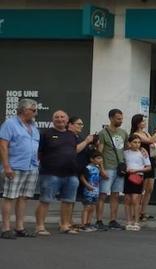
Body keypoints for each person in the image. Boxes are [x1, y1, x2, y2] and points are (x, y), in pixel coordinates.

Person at [36, 109, 92, 236]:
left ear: (67, 120)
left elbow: (75, 150)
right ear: (53, 120)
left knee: (68, 201)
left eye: (62, 117)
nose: (60, 119)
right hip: (50, 173)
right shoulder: (46, 134)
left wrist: (88, 142)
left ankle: (65, 225)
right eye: (57, 117)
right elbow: (39, 153)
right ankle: (40, 226)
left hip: (71, 174)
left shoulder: (72, 135)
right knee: (45, 200)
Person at [0, 98, 41, 239]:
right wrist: (6, 166)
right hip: (14, 166)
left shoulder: (34, 127)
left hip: (31, 167)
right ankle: (5, 228)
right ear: (24, 110)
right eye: (33, 110)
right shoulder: (10, 124)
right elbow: (3, 146)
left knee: (24, 198)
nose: (35, 113)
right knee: (9, 197)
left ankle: (20, 227)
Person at [96, 108, 128, 230]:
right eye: (118, 119)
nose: (121, 121)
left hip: (119, 167)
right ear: (111, 118)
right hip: (108, 167)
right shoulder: (103, 133)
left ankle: (113, 219)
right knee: (103, 194)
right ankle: (99, 220)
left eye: (121, 119)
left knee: (115, 195)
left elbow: (126, 148)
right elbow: (99, 151)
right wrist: (101, 168)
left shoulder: (123, 133)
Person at [130, 114, 156, 222]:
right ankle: (136, 211)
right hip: (142, 162)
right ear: (137, 123)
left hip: (150, 160)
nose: (144, 123)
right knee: (141, 189)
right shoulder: (136, 134)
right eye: (142, 121)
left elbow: (153, 140)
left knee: (149, 188)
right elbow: (150, 141)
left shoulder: (145, 132)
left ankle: (143, 211)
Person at [121, 133, 152, 231]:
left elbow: (148, 167)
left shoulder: (143, 153)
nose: (137, 144)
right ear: (129, 143)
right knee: (127, 199)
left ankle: (136, 221)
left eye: (139, 142)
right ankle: (128, 221)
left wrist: (138, 170)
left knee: (135, 199)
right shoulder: (125, 153)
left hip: (138, 176)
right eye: (134, 142)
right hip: (127, 176)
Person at [79, 152, 103, 232]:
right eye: (98, 158)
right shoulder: (88, 167)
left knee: (92, 207)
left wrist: (101, 167)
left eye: (101, 158)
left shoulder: (98, 168)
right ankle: (83, 224)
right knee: (87, 207)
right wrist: (87, 185)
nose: (100, 160)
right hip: (88, 190)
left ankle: (88, 223)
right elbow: (82, 177)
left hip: (96, 190)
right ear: (92, 159)